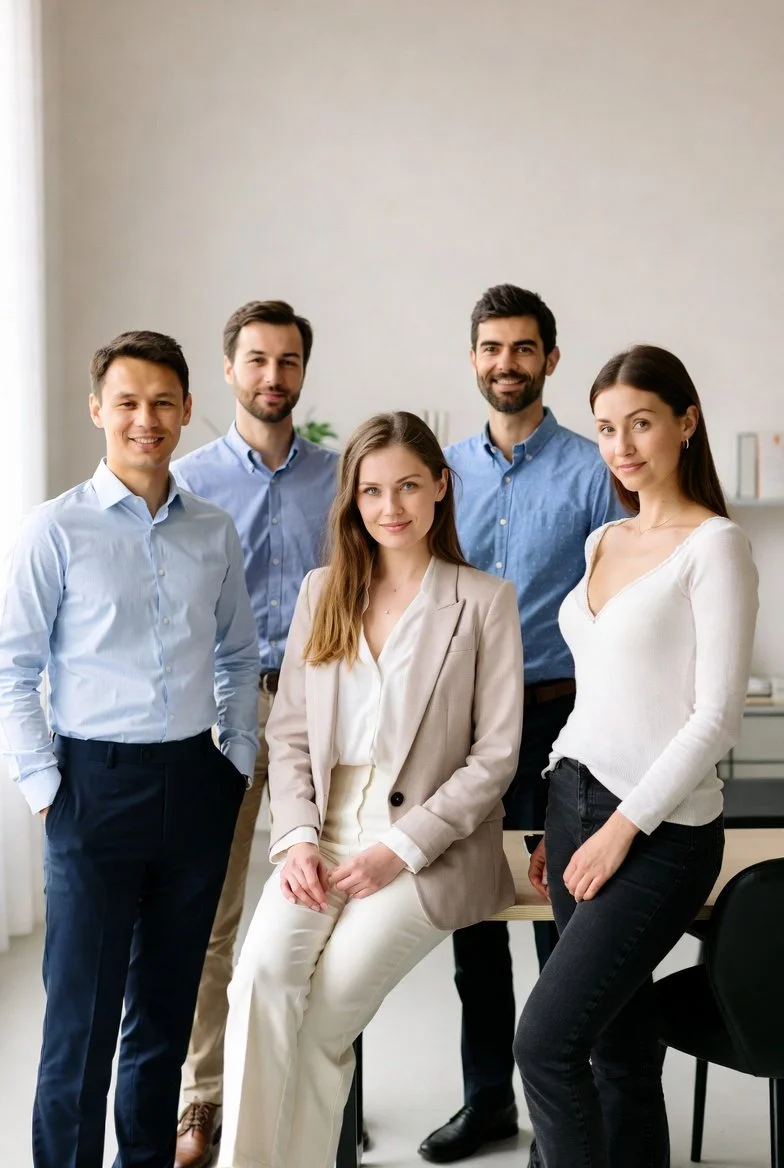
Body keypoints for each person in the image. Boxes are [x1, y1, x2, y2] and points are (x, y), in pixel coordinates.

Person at [215, 411, 524, 1168]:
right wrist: (292, 841)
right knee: (259, 983)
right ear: (352, 500)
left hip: (425, 842)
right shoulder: (324, 592)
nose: (392, 508)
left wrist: (399, 849)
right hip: (320, 831)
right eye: (373, 491)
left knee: (324, 1019)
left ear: (441, 488)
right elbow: (288, 733)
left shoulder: (484, 601)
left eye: (409, 487)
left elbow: (495, 758)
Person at [0, 331, 260, 1168]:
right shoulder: (56, 529)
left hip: (193, 786)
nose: (145, 419)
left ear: (187, 410)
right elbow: (13, 667)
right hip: (90, 788)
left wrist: (235, 765)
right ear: (98, 411)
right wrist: (47, 788)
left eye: (161, 403)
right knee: (79, 1023)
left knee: (163, 1016)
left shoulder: (214, 530)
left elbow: (237, 656)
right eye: (127, 402)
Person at [514, 345, 759, 1167]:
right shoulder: (602, 542)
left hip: (658, 834)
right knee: (618, 1049)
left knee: (544, 1044)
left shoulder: (714, 546)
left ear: (686, 424)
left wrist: (621, 828)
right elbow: (598, 699)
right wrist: (561, 810)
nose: (622, 445)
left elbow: (715, 718)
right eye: (607, 428)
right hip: (573, 804)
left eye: (642, 423)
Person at [419, 285, 626, 1164]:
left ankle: (566, 1111)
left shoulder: (592, 472)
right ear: (473, 359)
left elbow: (618, 614)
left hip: (559, 721)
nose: (507, 363)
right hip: (462, 732)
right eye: (491, 348)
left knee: (563, 923)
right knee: (474, 924)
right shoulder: (440, 473)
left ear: (551, 358)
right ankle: (485, 1102)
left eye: (523, 348)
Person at [170, 300, 338, 1168]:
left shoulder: (344, 477)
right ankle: (203, 1100)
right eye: (258, 361)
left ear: (304, 373)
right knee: (213, 915)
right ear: (229, 370)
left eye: (289, 362)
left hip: (321, 708)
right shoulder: (189, 480)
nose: (274, 377)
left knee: (325, 907)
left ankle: (320, 1095)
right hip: (224, 711)